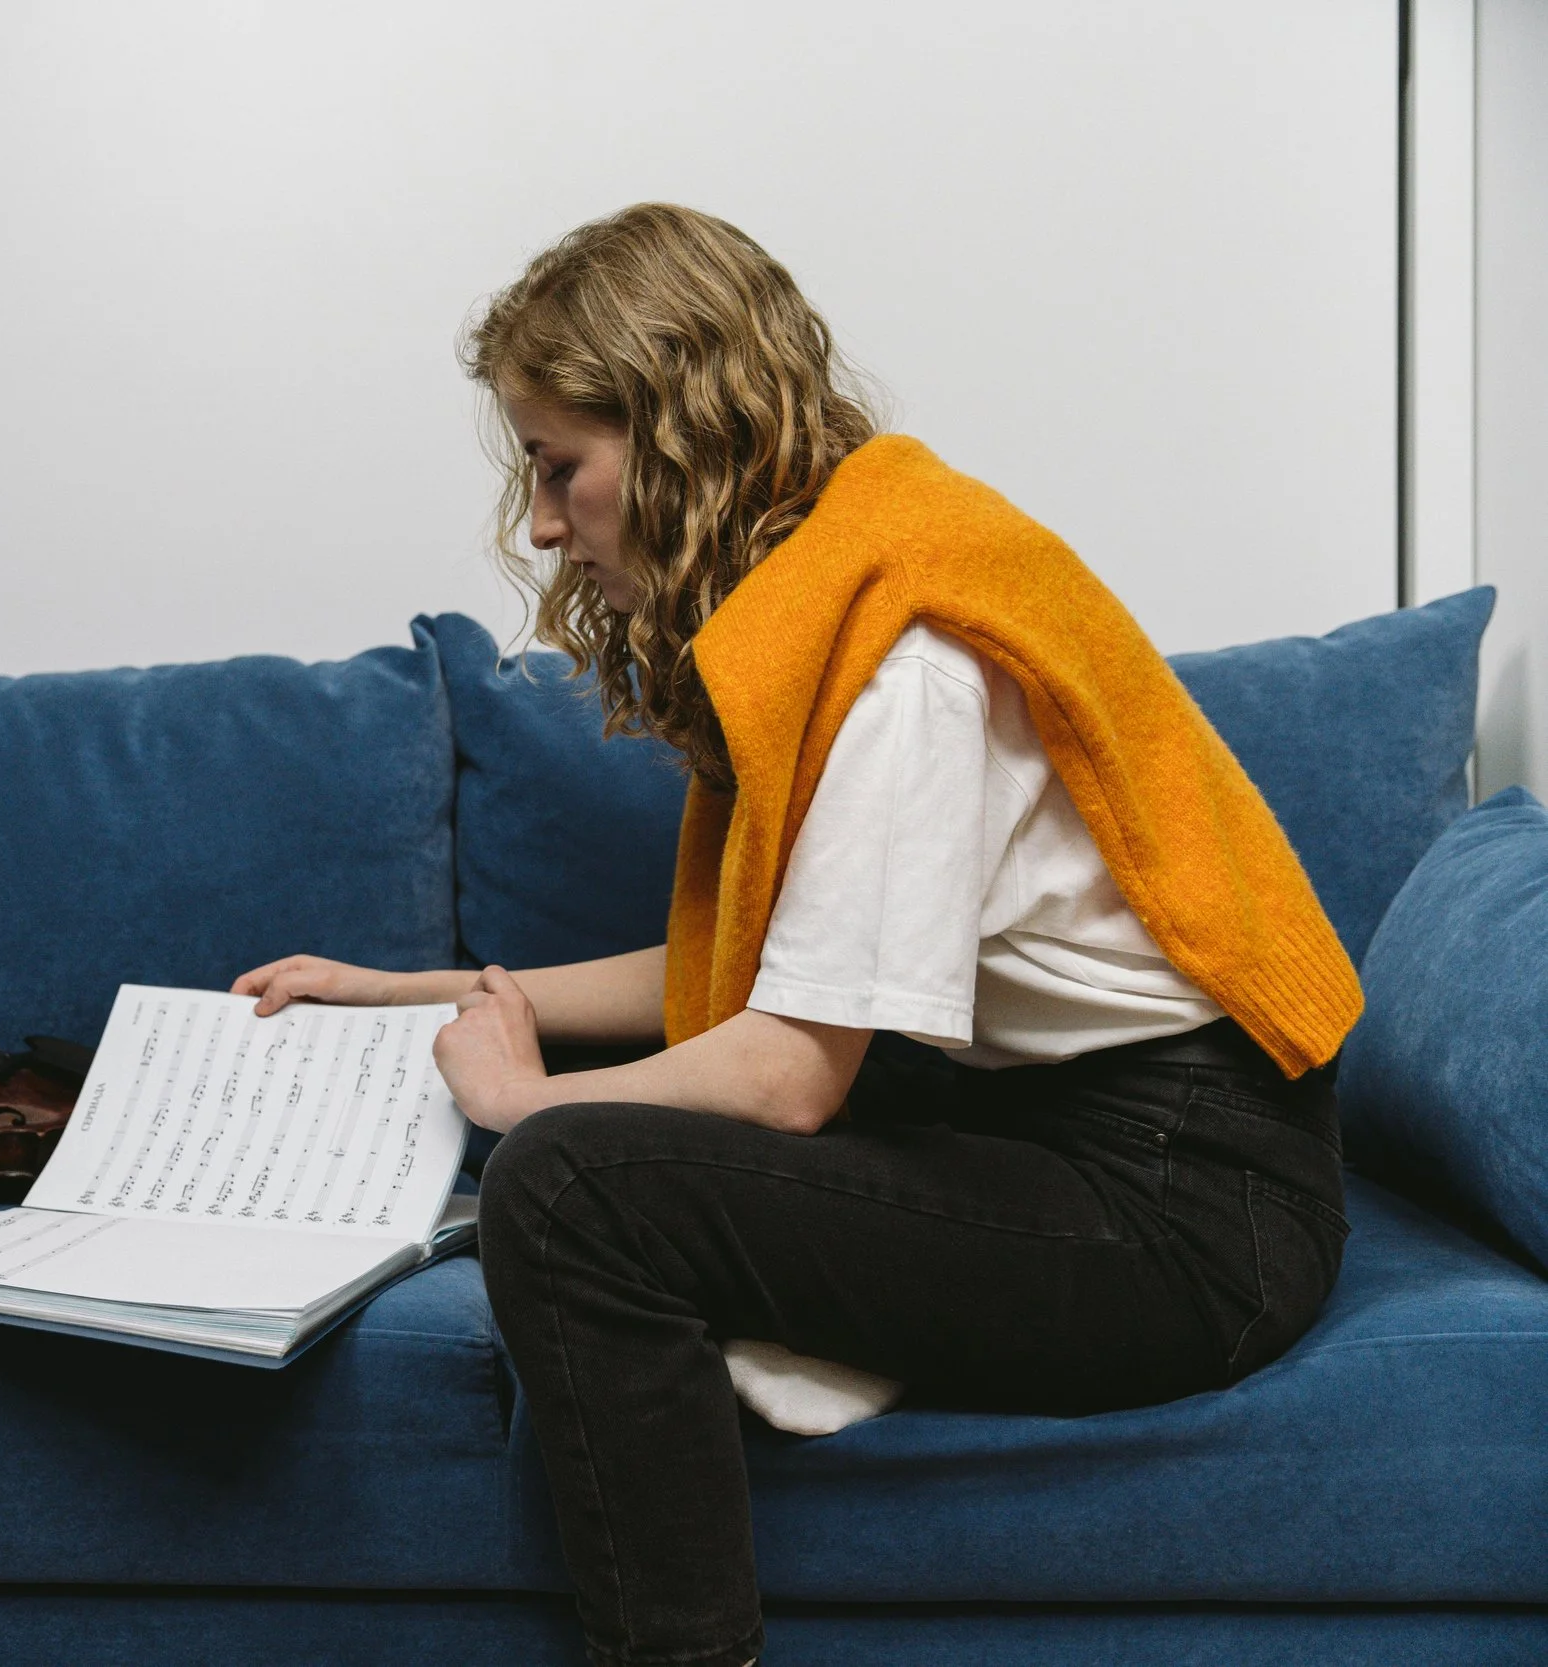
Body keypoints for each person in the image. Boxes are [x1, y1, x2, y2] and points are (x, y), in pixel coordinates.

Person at [231, 203, 1358, 1667]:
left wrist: (523, 1099)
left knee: (569, 1184)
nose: (543, 523)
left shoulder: (905, 657)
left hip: (1191, 1213)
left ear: (678, 429)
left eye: (559, 466)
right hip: (1070, 1136)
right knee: (635, 1143)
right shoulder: (833, 588)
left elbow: (788, 1071)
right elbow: (777, 975)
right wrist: (411, 988)